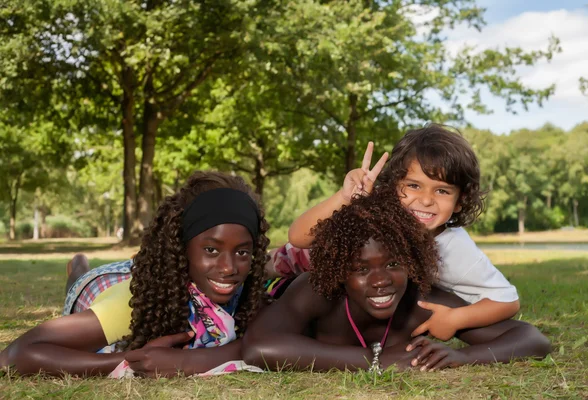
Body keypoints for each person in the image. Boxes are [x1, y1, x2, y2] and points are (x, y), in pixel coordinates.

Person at [243, 186, 550, 372]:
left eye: (393, 264)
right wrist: (372, 360)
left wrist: (463, 356)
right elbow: (258, 348)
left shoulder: (421, 300)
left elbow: (531, 339)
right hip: (276, 287)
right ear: (340, 272)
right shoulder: (317, 290)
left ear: (412, 260)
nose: (380, 281)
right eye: (361, 269)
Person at [0, 171, 270, 377]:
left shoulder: (243, 291)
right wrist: (128, 361)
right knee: (79, 283)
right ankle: (78, 267)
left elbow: (261, 341)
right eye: (211, 249)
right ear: (180, 248)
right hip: (103, 286)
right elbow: (14, 355)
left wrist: (183, 361)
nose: (228, 268)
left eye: (242, 253)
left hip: (145, 272)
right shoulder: (129, 305)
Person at [277, 124, 520, 340]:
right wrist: (345, 197)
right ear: (394, 185)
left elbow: (507, 301)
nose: (426, 200)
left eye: (442, 191)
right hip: (286, 265)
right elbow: (298, 238)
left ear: (460, 201)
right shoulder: (376, 212)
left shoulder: (455, 250)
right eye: (414, 186)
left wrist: (456, 319)